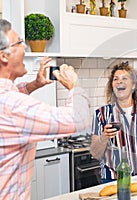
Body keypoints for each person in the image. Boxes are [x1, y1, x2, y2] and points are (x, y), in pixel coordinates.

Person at [0, 19, 90, 200]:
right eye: (19, 42)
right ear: (3, 56)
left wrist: (34, 84)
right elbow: (79, 119)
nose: (25, 47)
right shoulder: (11, 105)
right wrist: (75, 86)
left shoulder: (7, 99)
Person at [90, 62, 137, 183]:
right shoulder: (101, 114)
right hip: (112, 179)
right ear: (112, 85)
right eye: (115, 79)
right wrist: (104, 137)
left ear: (133, 85)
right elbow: (95, 153)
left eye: (124, 78)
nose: (119, 82)